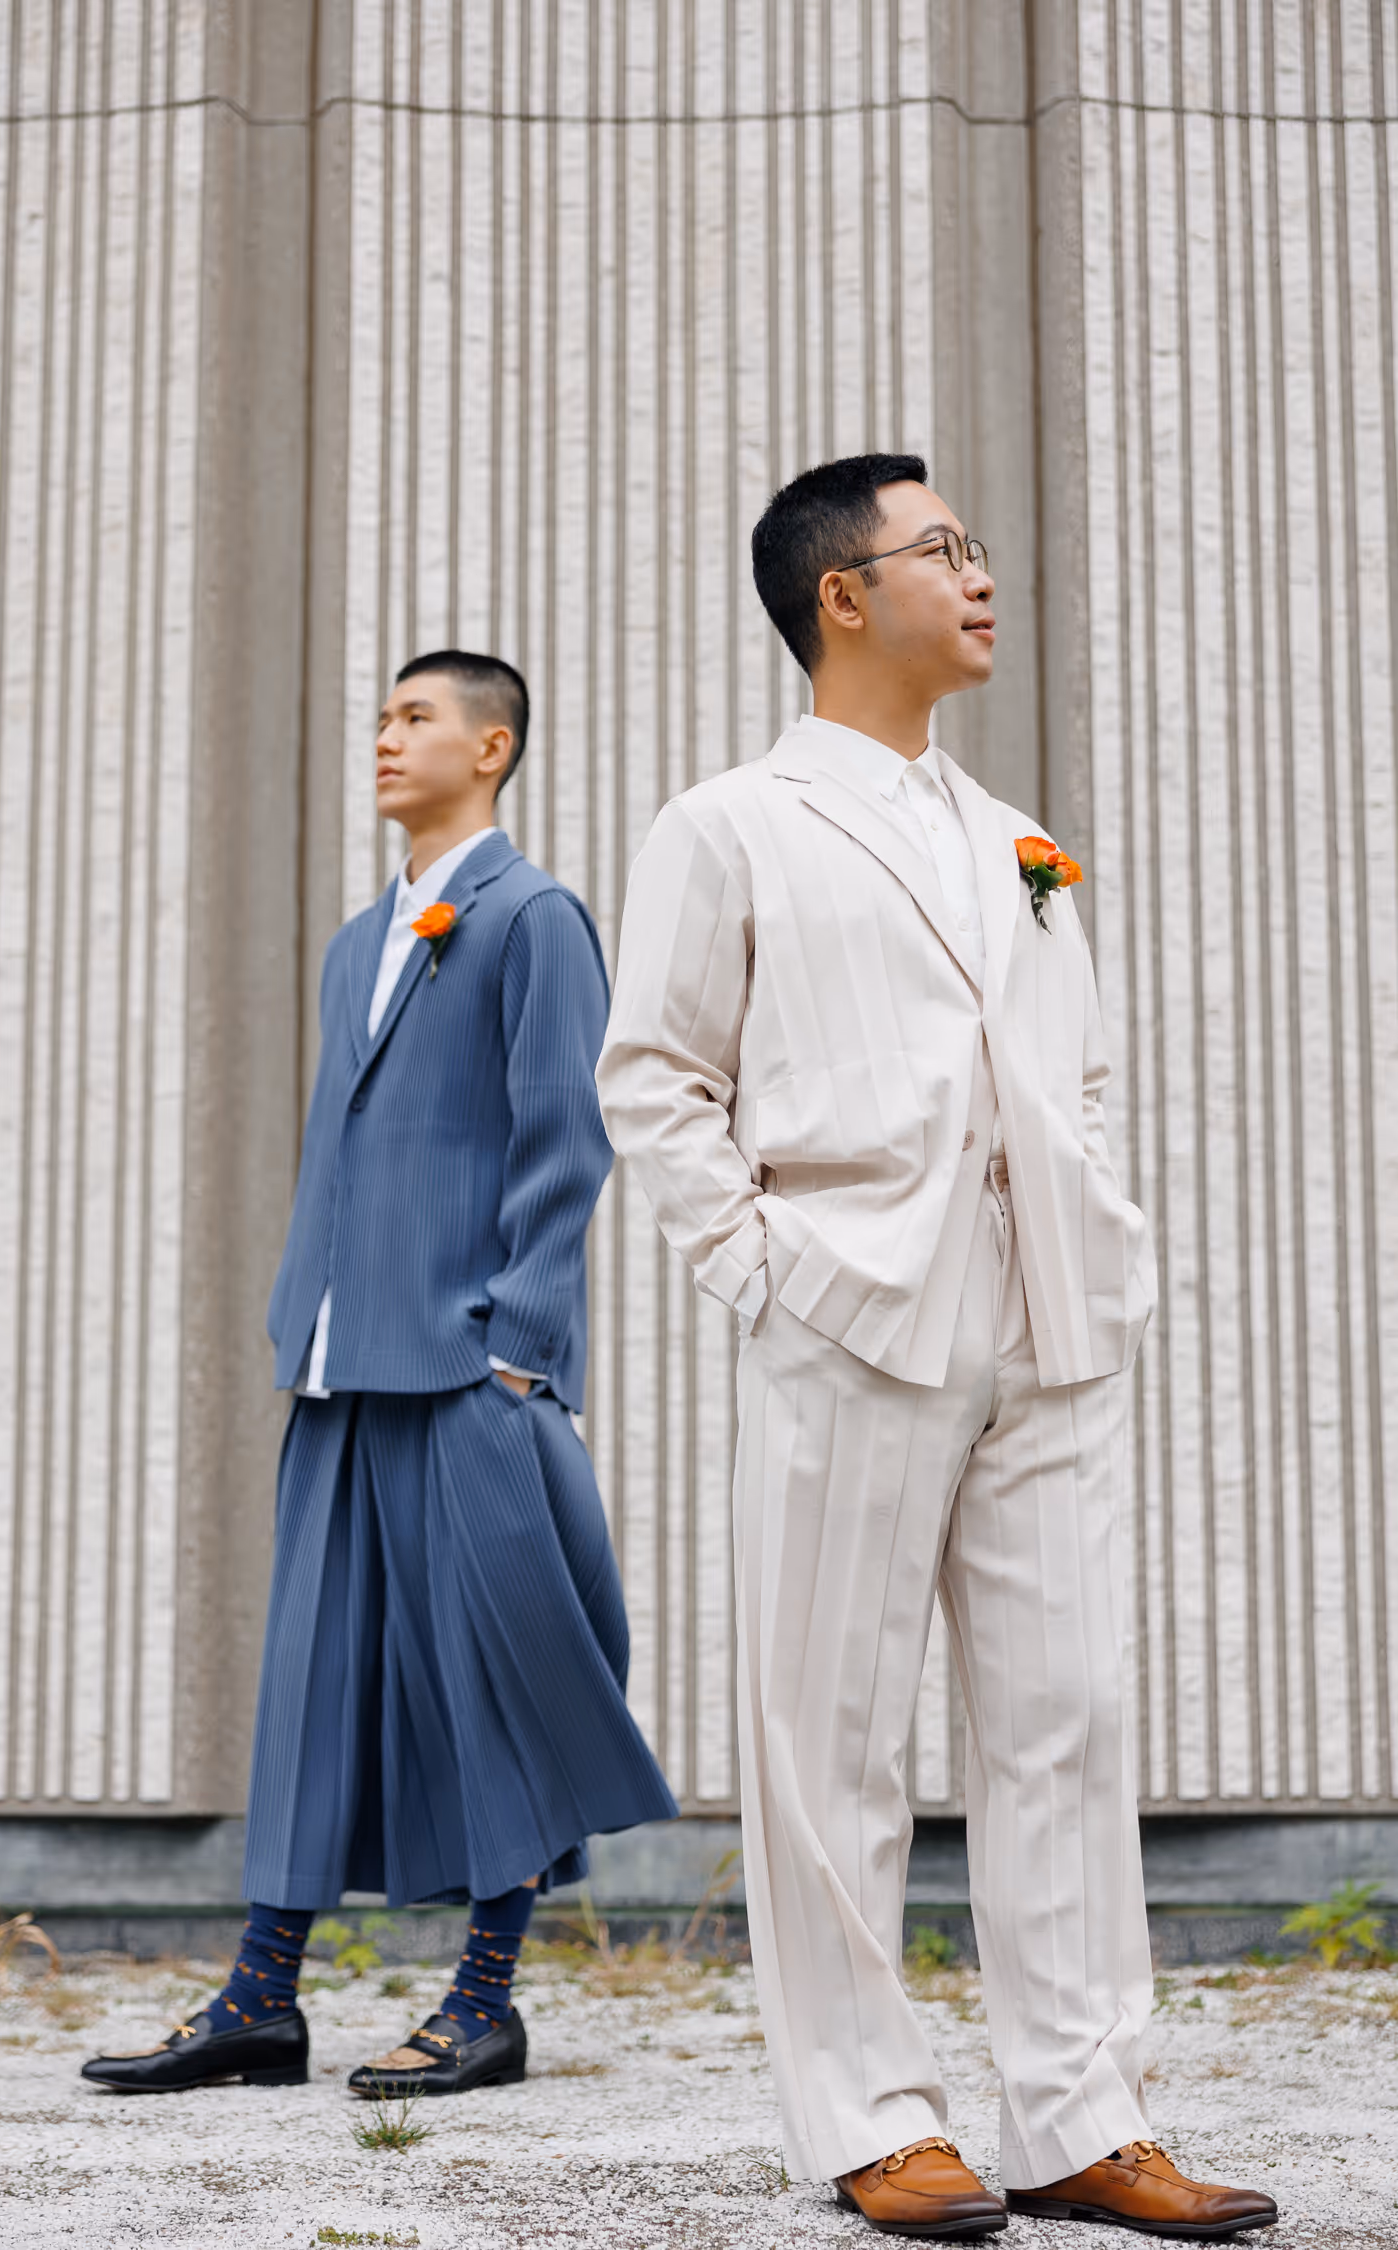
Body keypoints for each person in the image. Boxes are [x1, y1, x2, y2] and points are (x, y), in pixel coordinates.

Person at [595, 456, 1277, 2240]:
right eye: (943, 550)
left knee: (1064, 1718)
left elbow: (1080, 1067)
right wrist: (767, 1271)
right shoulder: (729, 821)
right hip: (850, 1315)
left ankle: (1079, 2109)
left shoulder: (1012, 833)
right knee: (832, 1739)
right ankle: (872, 2112)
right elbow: (656, 1079)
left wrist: (1098, 1226)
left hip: (1048, 1321)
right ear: (842, 594)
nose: (980, 575)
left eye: (974, 546)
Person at [84, 650, 676, 2100]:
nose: (385, 737)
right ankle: (261, 1998)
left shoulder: (532, 916)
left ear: (495, 745)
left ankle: (485, 2000)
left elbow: (567, 1138)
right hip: (343, 1377)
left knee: (505, 1678)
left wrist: (517, 1350)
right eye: (382, 715)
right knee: (311, 1688)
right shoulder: (364, 942)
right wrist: (304, 1319)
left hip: (471, 1374)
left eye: (416, 717)